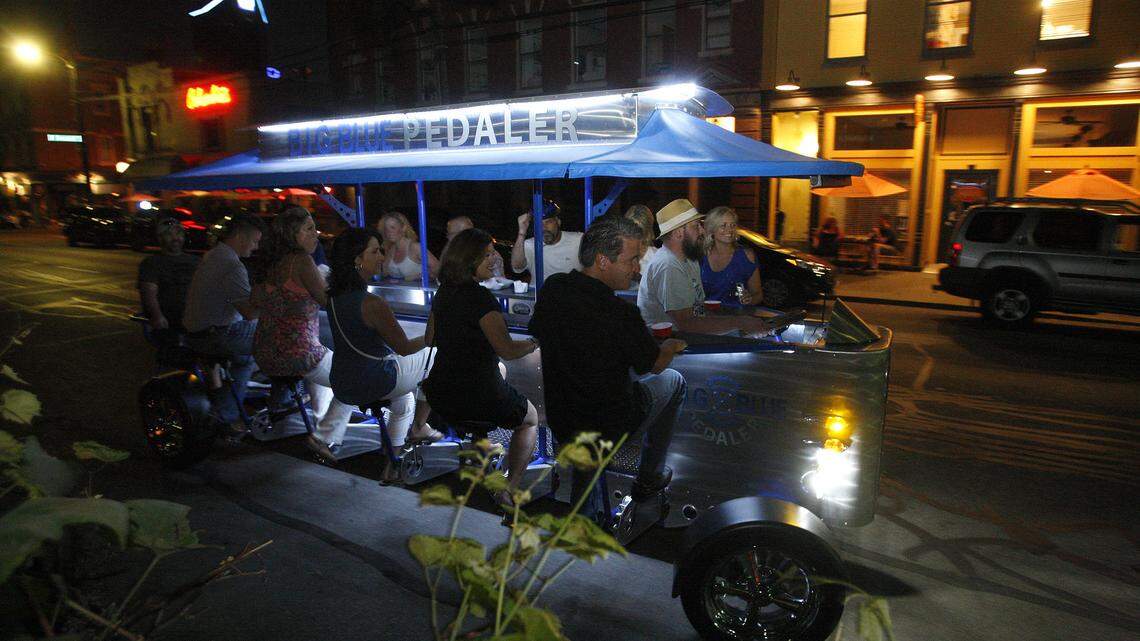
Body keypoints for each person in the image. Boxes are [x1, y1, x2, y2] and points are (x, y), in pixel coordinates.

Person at [530, 217, 688, 505]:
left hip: (563, 418)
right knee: (674, 381)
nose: (637, 268)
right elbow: (652, 364)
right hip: (608, 424)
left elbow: (539, 331)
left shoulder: (553, 289)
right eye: (631, 260)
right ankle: (649, 477)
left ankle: (586, 505)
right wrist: (669, 346)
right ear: (603, 261)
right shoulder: (620, 313)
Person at [422, 228, 539, 501]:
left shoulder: (444, 293)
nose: (494, 259)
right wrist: (534, 343)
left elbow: (429, 338)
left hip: (442, 393)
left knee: (497, 372)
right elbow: (507, 350)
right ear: (469, 259)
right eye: (486, 255)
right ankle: (509, 488)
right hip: (476, 394)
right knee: (530, 419)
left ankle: (480, 447)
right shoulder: (482, 299)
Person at [326, 228, 443, 460]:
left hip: (342, 380)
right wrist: (432, 336)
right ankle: (420, 426)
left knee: (404, 400)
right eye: (375, 251)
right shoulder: (371, 303)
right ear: (357, 260)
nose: (382, 256)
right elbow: (405, 348)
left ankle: (395, 455)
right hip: (373, 380)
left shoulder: (333, 296)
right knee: (436, 355)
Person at [250, 207, 354, 458]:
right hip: (295, 351)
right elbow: (328, 302)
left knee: (324, 367)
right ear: (291, 233)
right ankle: (324, 436)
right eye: (308, 229)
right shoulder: (301, 261)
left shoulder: (273, 262)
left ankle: (323, 424)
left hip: (265, 348)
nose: (315, 234)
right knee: (354, 379)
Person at [637, 199, 776, 335]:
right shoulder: (668, 266)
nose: (702, 231)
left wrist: (732, 322)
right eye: (696, 226)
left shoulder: (690, 259)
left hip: (688, 339)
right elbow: (686, 324)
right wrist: (740, 322)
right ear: (679, 233)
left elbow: (698, 309)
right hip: (669, 345)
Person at [182, 212, 266, 434]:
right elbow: (249, 312)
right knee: (281, 337)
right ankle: (230, 414)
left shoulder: (213, 255)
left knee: (252, 351)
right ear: (240, 236)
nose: (256, 247)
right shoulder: (231, 265)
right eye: (255, 241)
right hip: (214, 335)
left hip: (197, 331)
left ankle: (230, 403)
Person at [137, 217, 199, 346]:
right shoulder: (152, 263)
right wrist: (157, 316)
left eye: (178, 233)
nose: (175, 238)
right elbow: (149, 293)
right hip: (171, 319)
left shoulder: (195, 261)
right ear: (160, 238)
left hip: (196, 316)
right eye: (169, 234)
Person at [700, 206, 763, 306]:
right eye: (723, 225)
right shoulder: (701, 256)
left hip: (736, 317)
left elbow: (758, 295)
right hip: (708, 317)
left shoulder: (746, 256)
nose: (729, 230)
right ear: (712, 229)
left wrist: (749, 299)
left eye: (733, 225)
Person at [511, 199, 582, 279]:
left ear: (558, 222)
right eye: (539, 223)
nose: (543, 227)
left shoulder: (578, 240)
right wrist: (521, 232)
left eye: (548, 222)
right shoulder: (530, 245)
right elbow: (517, 267)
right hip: (539, 291)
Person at [377, 211, 439, 281]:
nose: (389, 231)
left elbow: (438, 269)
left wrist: (417, 277)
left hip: (417, 290)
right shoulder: (391, 250)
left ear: (403, 228)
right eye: (386, 228)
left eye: (393, 227)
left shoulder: (416, 248)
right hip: (398, 291)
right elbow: (384, 274)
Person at [446, 213, 504, 277]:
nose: (463, 238)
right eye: (457, 234)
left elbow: (499, 282)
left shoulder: (492, 255)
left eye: (468, 233)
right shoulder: (448, 254)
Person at [623, 204, 657, 275]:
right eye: (630, 234)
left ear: (648, 234)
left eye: (640, 235)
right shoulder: (617, 258)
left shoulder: (658, 259)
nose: (635, 240)